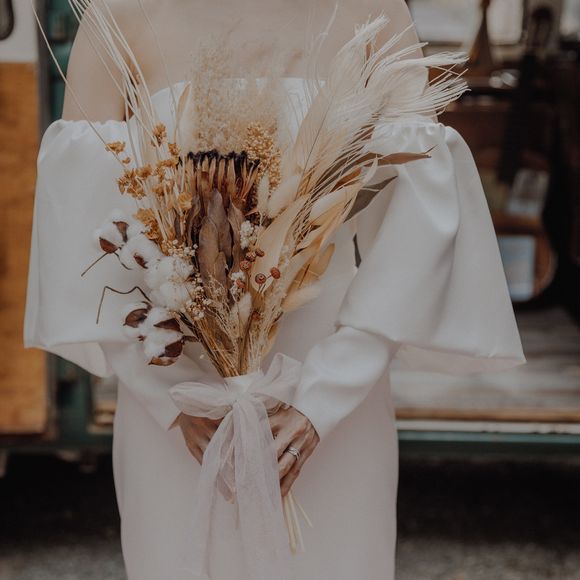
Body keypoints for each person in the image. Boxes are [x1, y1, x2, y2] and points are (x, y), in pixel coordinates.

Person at [24, 1, 527, 578]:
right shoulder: (120, 13)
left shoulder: (371, 9)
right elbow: (87, 225)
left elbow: (415, 226)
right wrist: (171, 398)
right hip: (180, 404)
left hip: (332, 400)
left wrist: (324, 397)